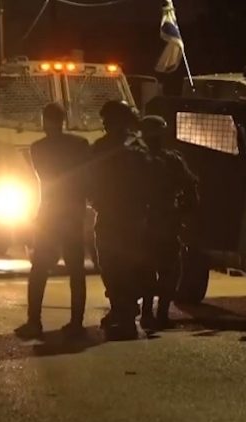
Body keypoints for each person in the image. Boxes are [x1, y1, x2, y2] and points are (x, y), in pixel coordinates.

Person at [15, 103, 90, 340]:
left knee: (39, 269)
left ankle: (34, 322)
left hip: (50, 213)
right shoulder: (80, 145)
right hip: (74, 212)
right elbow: (85, 177)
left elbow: (46, 176)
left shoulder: (38, 148)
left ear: (44, 121)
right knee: (76, 269)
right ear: (64, 120)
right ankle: (76, 322)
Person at [89, 100, 151, 340]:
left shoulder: (108, 147)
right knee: (116, 264)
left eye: (109, 119)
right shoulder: (137, 147)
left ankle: (124, 312)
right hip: (126, 216)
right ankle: (121, 309)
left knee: (117, 264)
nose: (106, 124)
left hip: (120, 216)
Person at [139, 115, 198, 329]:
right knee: (169, 270)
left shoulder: (137, 159)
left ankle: (148, 313)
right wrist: (182, 211)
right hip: (165, 221)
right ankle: (160, 314)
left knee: (147, 269)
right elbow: (191, 188)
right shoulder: (171, 160)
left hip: (142, 222)